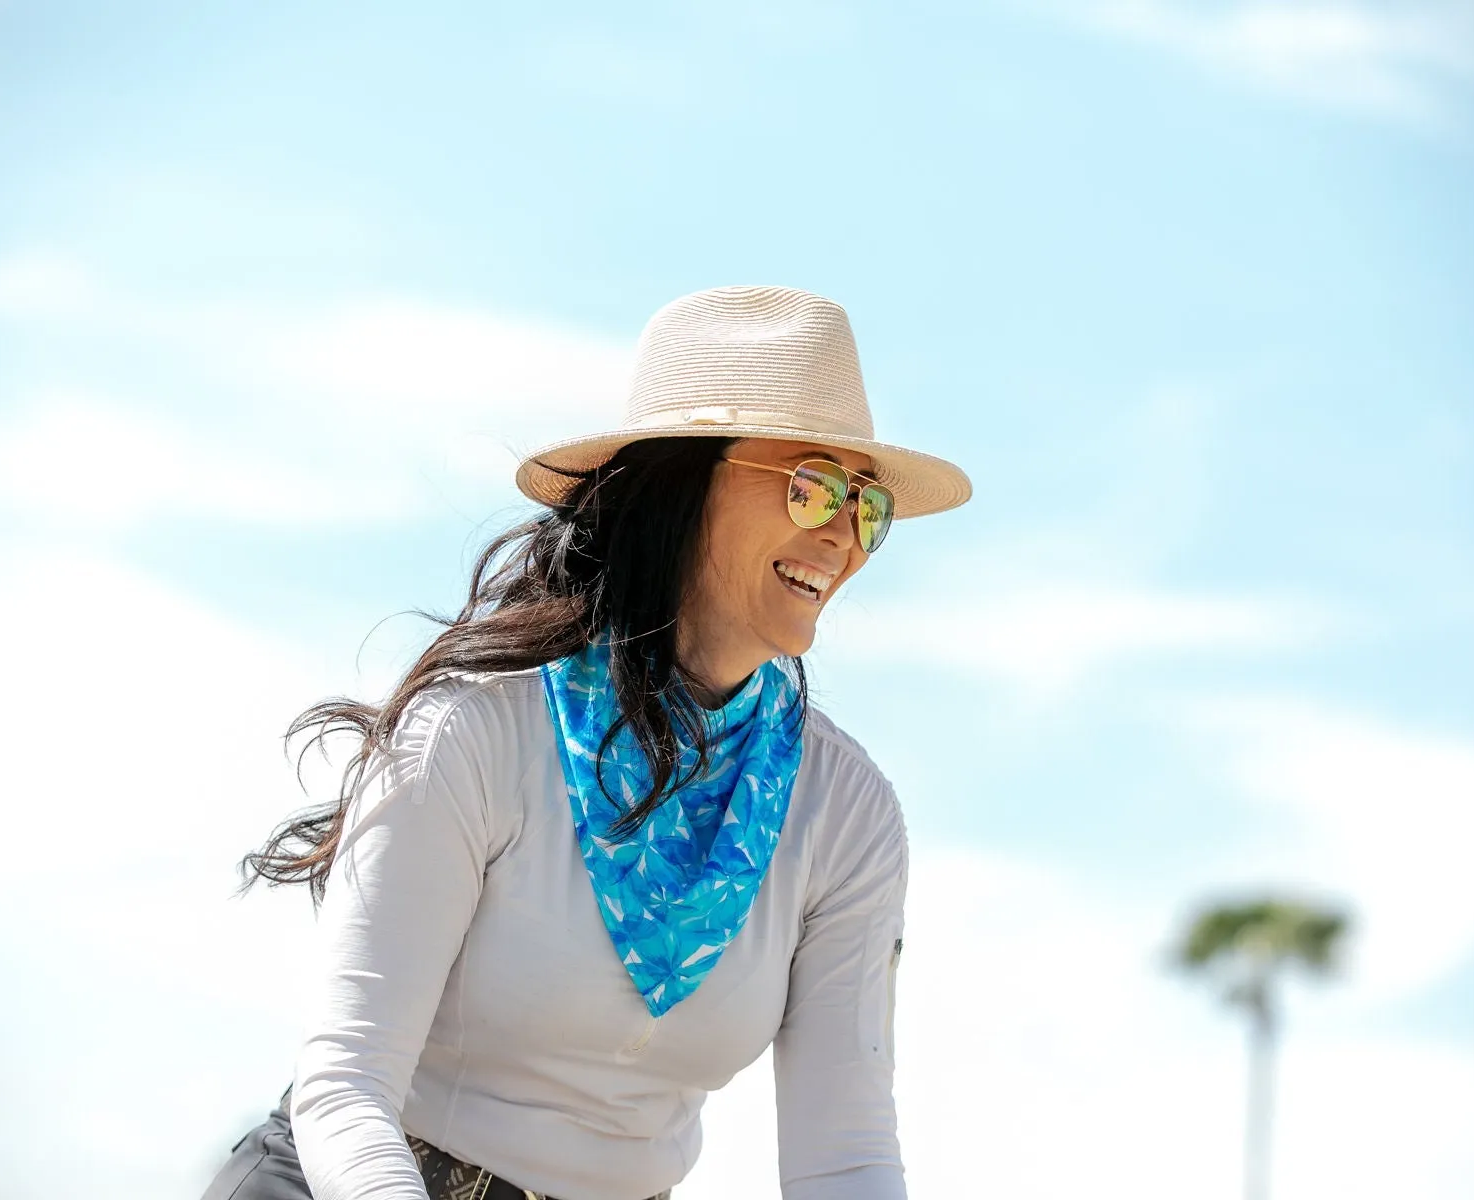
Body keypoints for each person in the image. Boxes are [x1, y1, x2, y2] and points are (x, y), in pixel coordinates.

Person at [200, 285, 973, 1200]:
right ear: (680, 486)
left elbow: (842, 1162)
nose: (845, 537)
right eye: (813, 488)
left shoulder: (848, 815)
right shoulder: (477, 729)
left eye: (868, 508)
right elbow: (346, 1088)